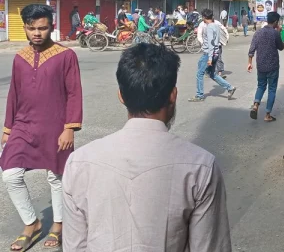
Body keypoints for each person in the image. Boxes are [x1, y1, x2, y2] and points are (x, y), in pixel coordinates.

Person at [62, 43, 232, 251]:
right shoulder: (200, 166)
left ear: (121, 96)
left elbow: (74, 245)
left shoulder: (80, 162)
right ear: (173, 95)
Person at [1, 4, 83, 251]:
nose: (36, 33)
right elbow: (14, 93)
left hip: (56, 125)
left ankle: (58, 225)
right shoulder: (19, 57)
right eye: (31, 28)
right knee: (10, 173)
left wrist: (69, 128)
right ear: (25, 28)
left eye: (42, 28)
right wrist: (7, 129)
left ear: (52, 27)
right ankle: (32, 223)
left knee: (55, 177)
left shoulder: (66, 55)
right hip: (23, 125)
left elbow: (74, 93)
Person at [189, 9, 236, 102]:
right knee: (212, 74)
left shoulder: (209, 27)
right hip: (216, 53)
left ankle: (199, 95)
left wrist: (210, 58)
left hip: (208, 54)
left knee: (200, 73)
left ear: (204, 17)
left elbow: (211, 44)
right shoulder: (216, 26)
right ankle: (230, 87)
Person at [248, 11, 284, 122]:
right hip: (272, 66)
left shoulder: (258, 32)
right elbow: (281, 47)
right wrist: (279, 32)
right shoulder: (275, 33)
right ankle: (267, 114)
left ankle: (256, 105)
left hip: (261, 65)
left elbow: (251, 49)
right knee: (272, 89)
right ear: (275, 22)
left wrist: (249, 62)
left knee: (261, 86)